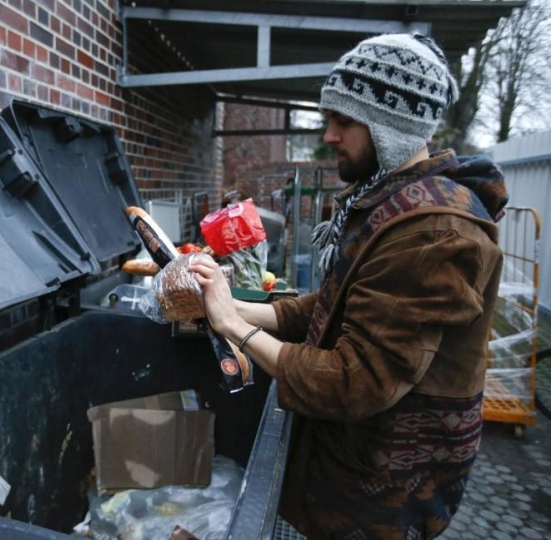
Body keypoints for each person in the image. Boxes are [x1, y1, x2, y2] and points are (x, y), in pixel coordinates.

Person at [190, 33, 508, 540]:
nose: (329, 136)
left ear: (392, 128)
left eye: (343, 121)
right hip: (352, 462)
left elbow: (355, 380)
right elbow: (336, 305)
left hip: (381, 492)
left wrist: (234, 327)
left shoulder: (432, 231)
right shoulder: (391, 202)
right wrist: (237, 310)